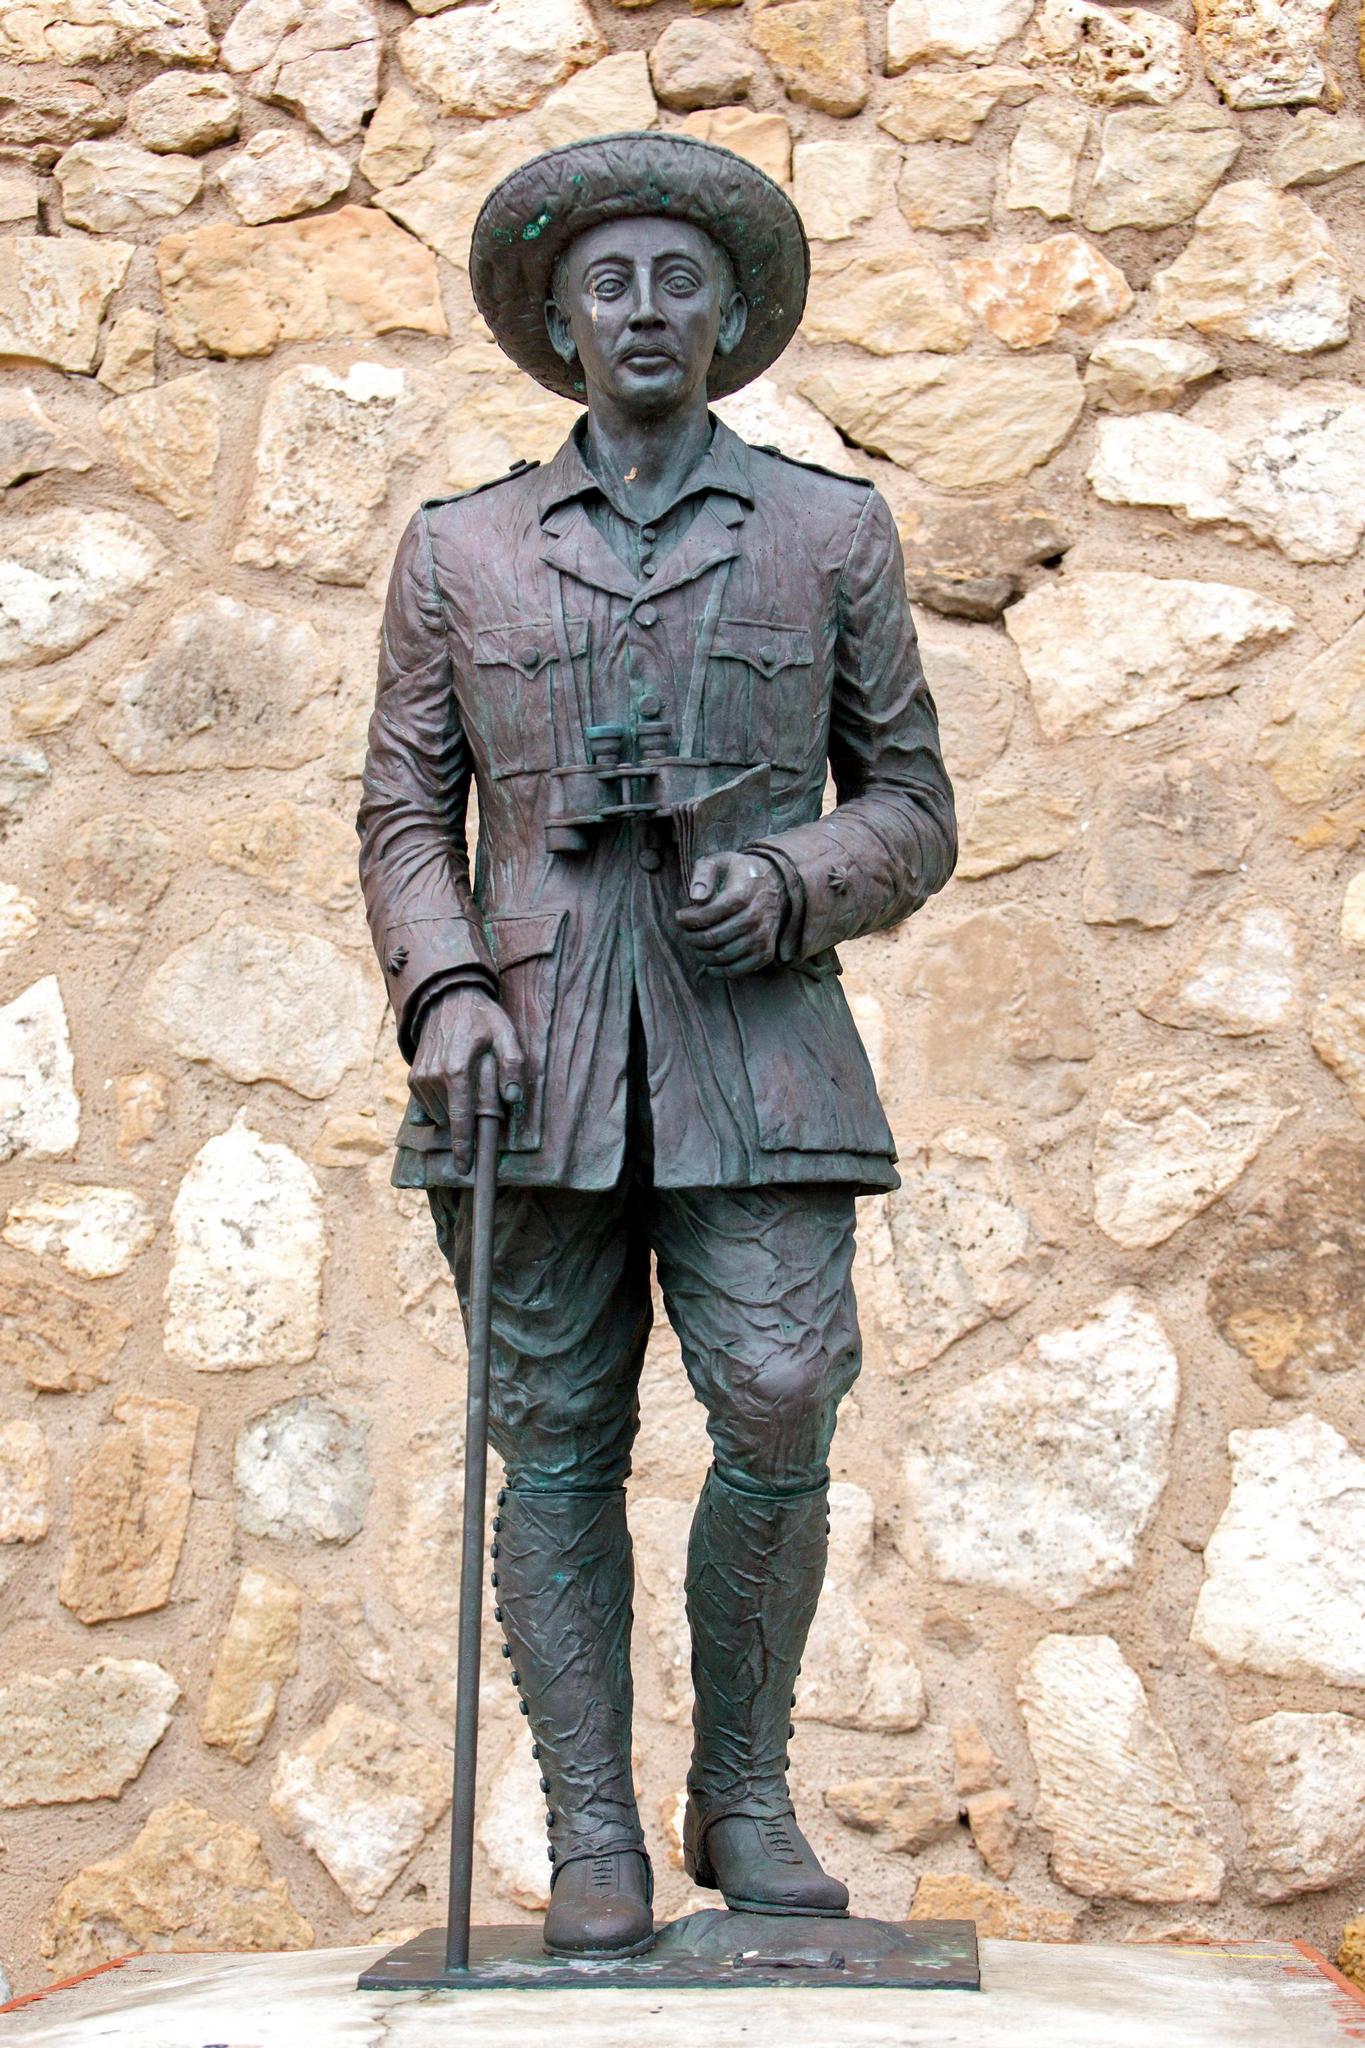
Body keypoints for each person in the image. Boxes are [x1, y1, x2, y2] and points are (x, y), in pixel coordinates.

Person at [357, 132, 956, 1962]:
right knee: (549, 1441)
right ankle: (594, 1826)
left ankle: (745, 1793)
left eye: (676, 280)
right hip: (522, 1070)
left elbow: (916, 803)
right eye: (606, 282)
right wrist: (444, 986)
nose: (642, 310)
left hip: (757, 1055)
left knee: (780, 1398)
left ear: (731, 318)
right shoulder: (459, 547)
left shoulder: (826, 529)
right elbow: (402, 806)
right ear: (553, 321)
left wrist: (792, 878)